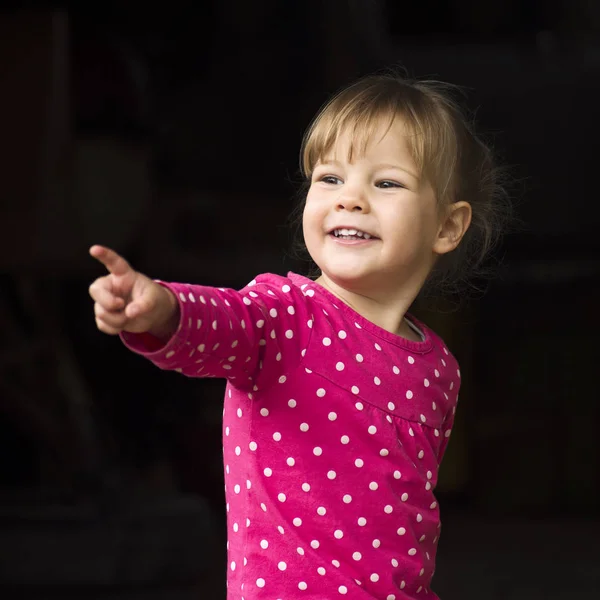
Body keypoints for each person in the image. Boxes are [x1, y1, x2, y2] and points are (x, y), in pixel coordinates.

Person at [88, 73, 506, 599]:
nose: (350, 198)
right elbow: (224, 321)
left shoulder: (438, 365)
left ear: (447, 227)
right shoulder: (285, 316)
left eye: (387, 183)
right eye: (330, 179)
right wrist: (164, 308)